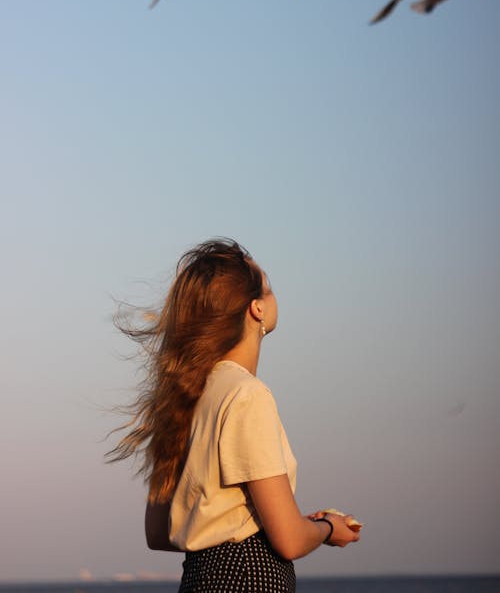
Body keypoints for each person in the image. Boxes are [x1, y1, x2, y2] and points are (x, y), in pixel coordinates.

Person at [107, 238, 360, 592]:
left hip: (197, 580)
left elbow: (158, 533)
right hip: (249, 578)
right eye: (269, 289)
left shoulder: (183, 398)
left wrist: (256, 520)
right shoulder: (247, 395)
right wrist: (329, 529)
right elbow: (288, 540)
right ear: (256, 309)